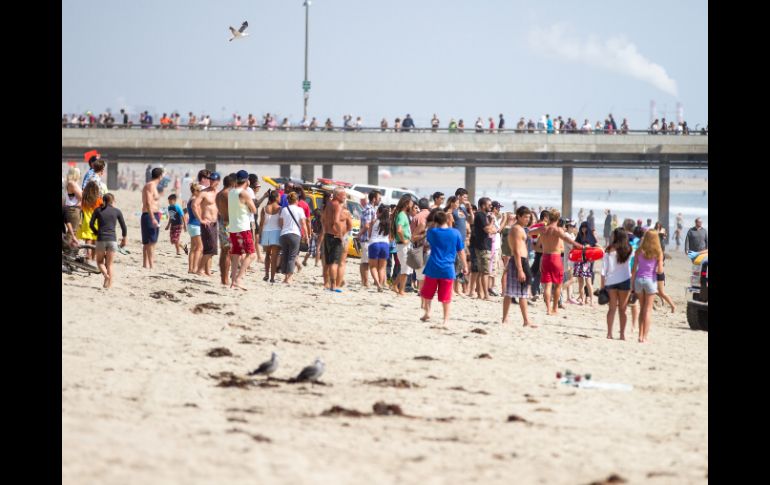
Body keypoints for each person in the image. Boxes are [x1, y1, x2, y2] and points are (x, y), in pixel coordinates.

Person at [419, 211, 467, 325]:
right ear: (447, 220)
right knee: (446, 296)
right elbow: (461, 251)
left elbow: (428, 237)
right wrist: (465, 265)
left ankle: (427, 313)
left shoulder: (432, 232)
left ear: (435, 221)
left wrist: (433, 224)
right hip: (448, 268)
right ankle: (445, 320)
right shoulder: (455, 233)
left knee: (427, 293)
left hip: (433, 266)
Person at [536, 209, 583, 316]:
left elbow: (530, 233)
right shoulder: (557, 230)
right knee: (557, 285)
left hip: (545, 257)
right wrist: (579, 245)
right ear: (557, 218)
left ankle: (548, 309)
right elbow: (567, 239)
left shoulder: (543, 229)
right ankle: (555, 309)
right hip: (555, 258)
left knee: (547, 286)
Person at [502, 206, 538, 327]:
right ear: (519, 216)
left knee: (513, 292)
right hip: (519, 261)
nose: (527, 219)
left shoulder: (521, 229)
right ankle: (525, 321)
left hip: (520, 261)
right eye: (525, 217)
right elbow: (517, 250)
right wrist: (520, 270)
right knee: (521, 292)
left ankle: (507, 319)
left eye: (529, 217)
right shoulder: (517, 229)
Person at [631, 229, 664, 343]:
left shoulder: (639, 250)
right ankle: (644, 337)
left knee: (642, 308)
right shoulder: (658, 252)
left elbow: (634, 269)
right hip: (650, 280)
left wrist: (632, 285)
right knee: (648, 310)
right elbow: (660, 271)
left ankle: (639, 335)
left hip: (639, 280)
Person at [227, 170, 258, 290]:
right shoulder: (244, 193)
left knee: (235, 255)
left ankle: (233, 282)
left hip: (233, 227)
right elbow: (254, 210)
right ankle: (239, 279)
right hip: (243, 228)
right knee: (252, 254)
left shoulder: (231, 192)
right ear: (247, 180)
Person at [89, 193, 127, 288]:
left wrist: (96, 232)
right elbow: (124, 227)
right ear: (113, 201)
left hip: (101, 239)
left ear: (103, 200)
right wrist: (124, 239)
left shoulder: (98, 210)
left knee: (99, 262)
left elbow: (91, 224)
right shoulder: (117, 211)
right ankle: (108, 285)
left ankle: (106, 275)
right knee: (110, 264)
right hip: (112, 239)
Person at [601, 228, 633, 339]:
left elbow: (603, 271)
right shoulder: (629, 249)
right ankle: (622, 335)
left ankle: (609, 333)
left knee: (612, 309)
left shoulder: (609, 250)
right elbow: (632, 267)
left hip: (611, 281)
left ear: (616, 237)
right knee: (623, 310)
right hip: (625, 281)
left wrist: (602, 286)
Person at [278, 192, 309, 285]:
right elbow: (303, 223)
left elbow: (280, 223)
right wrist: (306, 235)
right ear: (297, 200)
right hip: (295, 234)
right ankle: (289, 278)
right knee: (292, 256)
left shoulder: (284, 209)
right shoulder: (300, 210)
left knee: (285, 255)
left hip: (284, 234)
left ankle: (285, 277)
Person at [321, 188, 347, 292]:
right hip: (335, 236)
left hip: (327, 235)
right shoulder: (337, 205)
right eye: (343, 195)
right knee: (334, 262)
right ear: (337, 195)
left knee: (327, 262)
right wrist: (341, 235)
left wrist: (325, 229)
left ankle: (327, 284)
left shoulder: (328, 204)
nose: (345, 197)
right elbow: (336, 221)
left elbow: (322, 218)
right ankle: (333, 285)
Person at [471, 198, 496, 300]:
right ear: (482, 205)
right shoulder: (481, 215)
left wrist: (491, 226)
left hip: (484, 246)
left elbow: (494, 230)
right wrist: (492, 222)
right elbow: (488, 229)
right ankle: (485, 294)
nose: (491, 206)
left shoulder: (483, 216)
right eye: (489, 205)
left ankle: (481, 294)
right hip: (483, 246)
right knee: (485, 272)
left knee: (482, 272)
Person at [197, 172, 221, 276]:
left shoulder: (218, 193)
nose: (211, 181)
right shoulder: (204, 193)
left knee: (212, 249)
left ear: (218, 181)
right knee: (210, 248)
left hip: (215, 223)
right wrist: (201, 219)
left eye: (213, 180)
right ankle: (199, 270)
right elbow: (194, 205)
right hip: (206, 223)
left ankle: (207, 271)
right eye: (210, 179)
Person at [215, 174, 237, 285]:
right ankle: (225, 279)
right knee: (228, 252)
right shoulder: (227, 194)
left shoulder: (218, 194)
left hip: (222, 223)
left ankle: (223, 278)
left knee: (224, 252)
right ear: (232, 183)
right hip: (229, 224)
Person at [140, 167, 164, 269]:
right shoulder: (150, 186)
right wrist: (153, 217)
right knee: (151, 241)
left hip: (153, 214)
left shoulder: (153, 185)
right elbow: (148, 202)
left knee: (148, 242)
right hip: (150, 215)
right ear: (160, 176)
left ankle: (146, 264)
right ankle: (151, 264)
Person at [391, 195, 415, 296]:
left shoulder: (403, 214)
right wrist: (403, 240)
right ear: (406, 204)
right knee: (405, 269)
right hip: (403, 245)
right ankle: (401, 290)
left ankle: (395, 285)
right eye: (411, 203)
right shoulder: (401, 215)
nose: (412, 205)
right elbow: (399, 229)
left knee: (405, 268)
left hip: (405, 244)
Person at [358, 191, 380, 288]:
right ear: (374, 199)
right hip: (366, 238)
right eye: (379, 198)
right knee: (365, 262)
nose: (380, 200)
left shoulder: (372, 208)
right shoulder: (369, 209)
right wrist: (359, 234)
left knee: (366, 261)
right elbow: (367, 225)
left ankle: (365, 281)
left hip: (368, 239)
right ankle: (365, 282)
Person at [259, 190, 282, 283]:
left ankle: (266, 275)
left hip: (266, 232)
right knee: (274, 256)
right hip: (276, 232)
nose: (280, 198)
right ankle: (272, 278)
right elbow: (281, 223)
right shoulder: (280, 209)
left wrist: (260, 235)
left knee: (267, 255)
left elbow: (261, 223)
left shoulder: (264, 208)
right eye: (279, 196)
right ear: (276, 198)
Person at [367, 205, 392, 291]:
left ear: (379, 213)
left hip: (374, 243)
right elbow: (391, 237)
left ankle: (378, 284)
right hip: (385, 244)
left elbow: (369, 234)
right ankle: (381, 284)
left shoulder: (374, 221)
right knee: (382, 268)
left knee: (373, 267)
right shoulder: (389, 223)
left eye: (377, 211)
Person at [77, 181, 103, 261]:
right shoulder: (99, 200)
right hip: (96, 222)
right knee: (95, 240)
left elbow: (79, 208)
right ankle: (92, 258)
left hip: (86, 222)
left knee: (88, 239)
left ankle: (88, 254)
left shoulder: (84, 200)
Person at [574, 221, 597, 306]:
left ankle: (591, 300)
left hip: (587, 261)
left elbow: (594, 246)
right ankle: (582, 299)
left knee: (588, 281)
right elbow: (575, 245)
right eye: (582, 227)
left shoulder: (590, 237)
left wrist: (588, 246)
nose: (584, 229)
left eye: (585, 227)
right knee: (580, 281)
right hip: (579, 260)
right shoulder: (579, 236)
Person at [187, 183, 204, 274]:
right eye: (200, 191)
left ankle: (191, 268)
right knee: (199, 247)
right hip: (195, 225)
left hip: (191, 225)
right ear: (196, 191)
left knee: (193, 248)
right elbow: (196, 211)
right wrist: (201, 220)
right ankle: (195, 268)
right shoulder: (194, 200)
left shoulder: (191, 199)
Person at [63, 167, 82, 233]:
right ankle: (67, 243)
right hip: (73, 209)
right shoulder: (72, 183)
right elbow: (81, 197)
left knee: (72, 232)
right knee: (72, 232)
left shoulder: (70, 183)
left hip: (72, 209)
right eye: (79, 173)